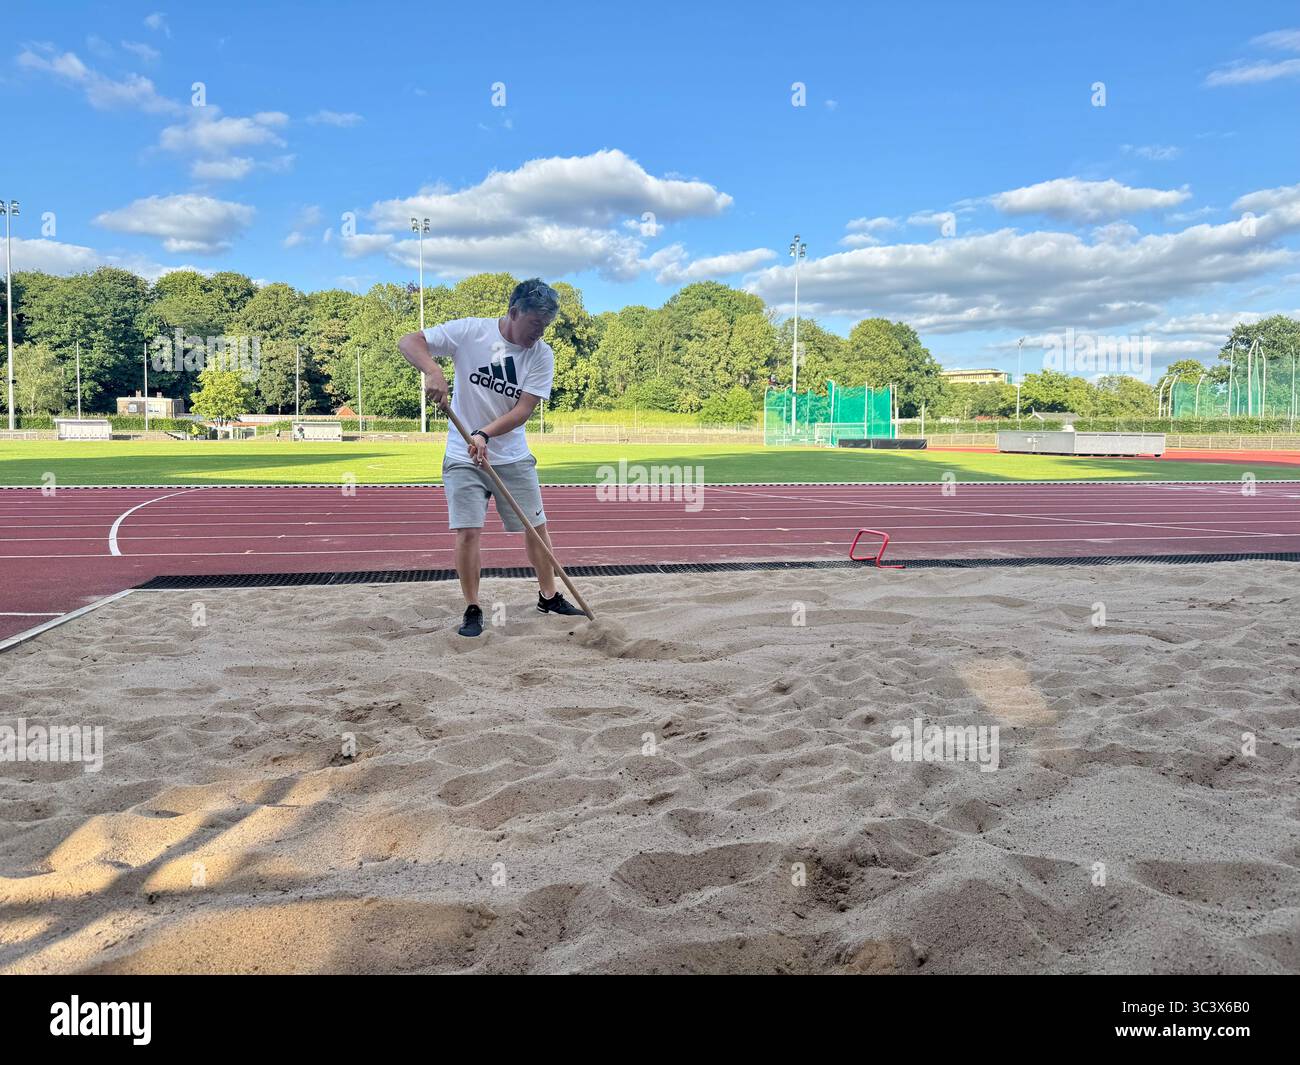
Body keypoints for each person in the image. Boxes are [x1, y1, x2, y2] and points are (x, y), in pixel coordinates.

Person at [397, 278, 584, 637]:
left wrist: (485, 434)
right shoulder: (470, 332)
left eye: (545, 327)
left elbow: (524, 409)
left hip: (511, 455)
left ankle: (548, 595)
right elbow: (409, 341)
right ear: (514, 312)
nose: (539, 333)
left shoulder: (541, 354)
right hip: (462, 454)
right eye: (534, 324)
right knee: (468, 531)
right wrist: (433, 370)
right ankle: (473, 607)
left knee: (536, 529)